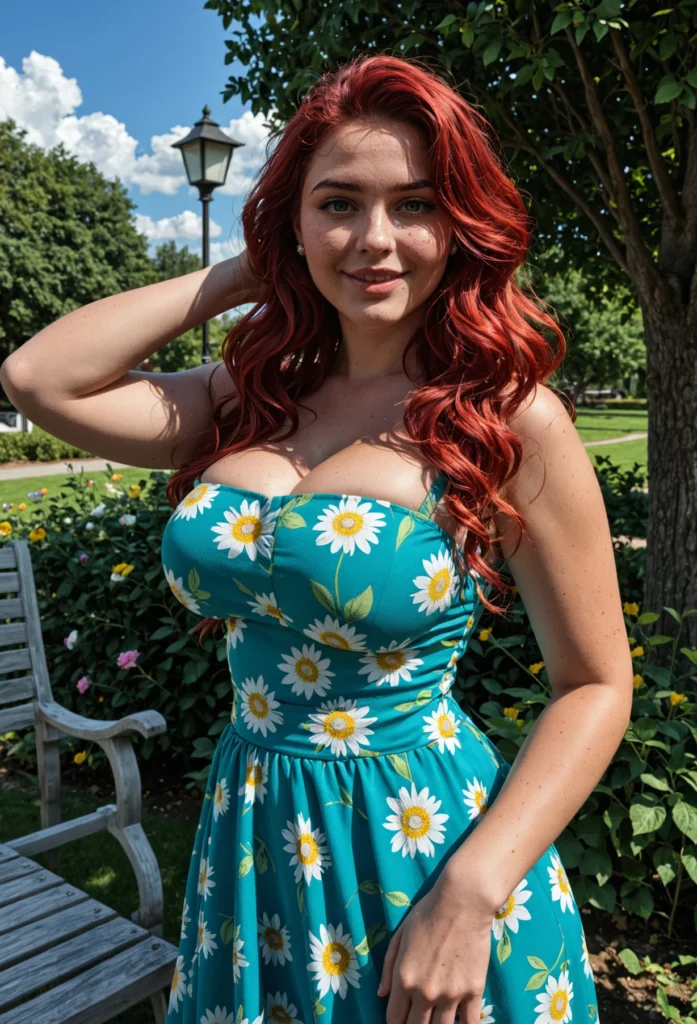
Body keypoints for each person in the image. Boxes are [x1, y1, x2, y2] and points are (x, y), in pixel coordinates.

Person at [1, 52, 632, 1024]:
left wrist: (470, 894)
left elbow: (594, 685)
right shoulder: (245, 396)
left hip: (426, 851)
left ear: (457, 221)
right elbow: (41, 380)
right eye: (338, 203)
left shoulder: (502, 418)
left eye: (415, 204)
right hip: (253, 840)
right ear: (291, 220)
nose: (375, 239)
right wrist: (246, 268)